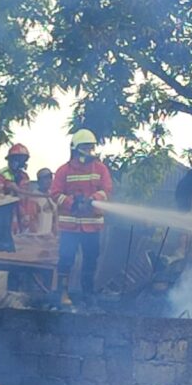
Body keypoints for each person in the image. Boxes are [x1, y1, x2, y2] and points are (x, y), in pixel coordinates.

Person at [50, 129, 113, 305]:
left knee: (91, 260)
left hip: (92, 226)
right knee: (66, 259)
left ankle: (88, 295)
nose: (89, 151)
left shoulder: (100, 169)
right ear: (76, 149)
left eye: (91, 147)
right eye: (85, 147)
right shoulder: (63, 170)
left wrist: (92, 199)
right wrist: (72, 203)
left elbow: (107, 190)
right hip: (70, 226)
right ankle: (62, 293)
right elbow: (55, 193)